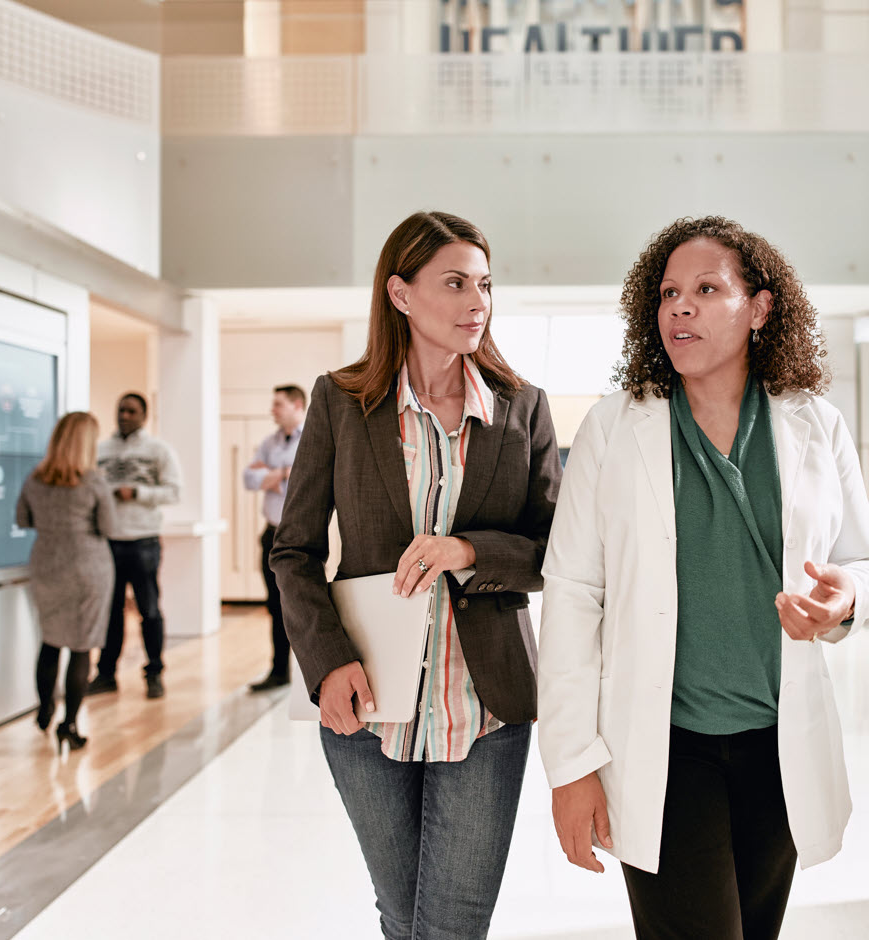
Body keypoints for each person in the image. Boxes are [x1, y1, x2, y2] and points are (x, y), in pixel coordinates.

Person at [537, 216, 869, 940]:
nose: (679, 308)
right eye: (667, 293)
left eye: (705, 288)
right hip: (664, 746)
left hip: (778, 742)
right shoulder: (614, 428)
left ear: (758, 308)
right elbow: (573, 596)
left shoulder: (813, 424)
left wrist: (847, 597)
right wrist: (570, 766)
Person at [271, 210, 562, 940]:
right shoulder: (340, 401)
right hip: (366, 704)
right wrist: (325, 662)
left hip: (484, 708)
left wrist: (468, 551)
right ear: (400, 295)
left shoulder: (521, 407)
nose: (477, 302)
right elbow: (294, 550)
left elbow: (554, 548)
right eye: (455, 282)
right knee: (401, 916)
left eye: (485, 285)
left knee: (451, 924)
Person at [16, 411, 116, 751]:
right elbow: (109, 528)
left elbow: (22, 518)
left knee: (50, 640)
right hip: (88, 567)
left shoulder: (35, 478)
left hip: (47, 565)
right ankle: (69, 724)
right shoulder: (94, 481)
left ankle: (44, 709)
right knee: (81, 645)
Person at [91, 392, 182, 700]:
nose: (124, 416)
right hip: (108, 541)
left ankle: (154, 672)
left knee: (150, 611)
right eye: (120, 410)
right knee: (111, 612)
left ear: (144, 415)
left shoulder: (158, 450)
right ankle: (106, 674)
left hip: (143, 541)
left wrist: (138, 493)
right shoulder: (101, 450)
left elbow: (173, 491)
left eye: (131, 411)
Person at [244, 384, 306, 692]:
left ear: (297, 405)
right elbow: (249, 477)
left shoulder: (311, 438)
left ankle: (310, 672)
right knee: (274, 605)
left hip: (300, 537)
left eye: (278, 404)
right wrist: (283, 473)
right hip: (271, 535)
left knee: (304, 606)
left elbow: (306, 480)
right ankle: (279, 671)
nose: (273, 410)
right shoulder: (270, 442)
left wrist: (272, 473)